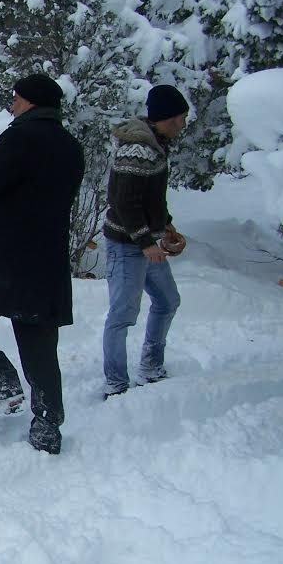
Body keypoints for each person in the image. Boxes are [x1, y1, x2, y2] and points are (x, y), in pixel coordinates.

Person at [0, 73, 84, 455]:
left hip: (7, 257)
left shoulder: (21, 136)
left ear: (30, 102)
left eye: (16, 99)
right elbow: (30, 183)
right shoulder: (70, 146)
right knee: (38, 341)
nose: (12, 105)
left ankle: (3, 388)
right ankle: (47, 428)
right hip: (48, 259)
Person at [101, 85, 188, 399]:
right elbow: (124, 202)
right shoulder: (137, 149)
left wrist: (166, 225)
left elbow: (150, 197)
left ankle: (151, 367)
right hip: (127, 245)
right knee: (122, 315)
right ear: (165, 118)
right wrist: (146, 242)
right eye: (180, 118)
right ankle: (115, 384)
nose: (183, 124)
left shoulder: (156, 144)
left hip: (144, 242)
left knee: (167, 301)